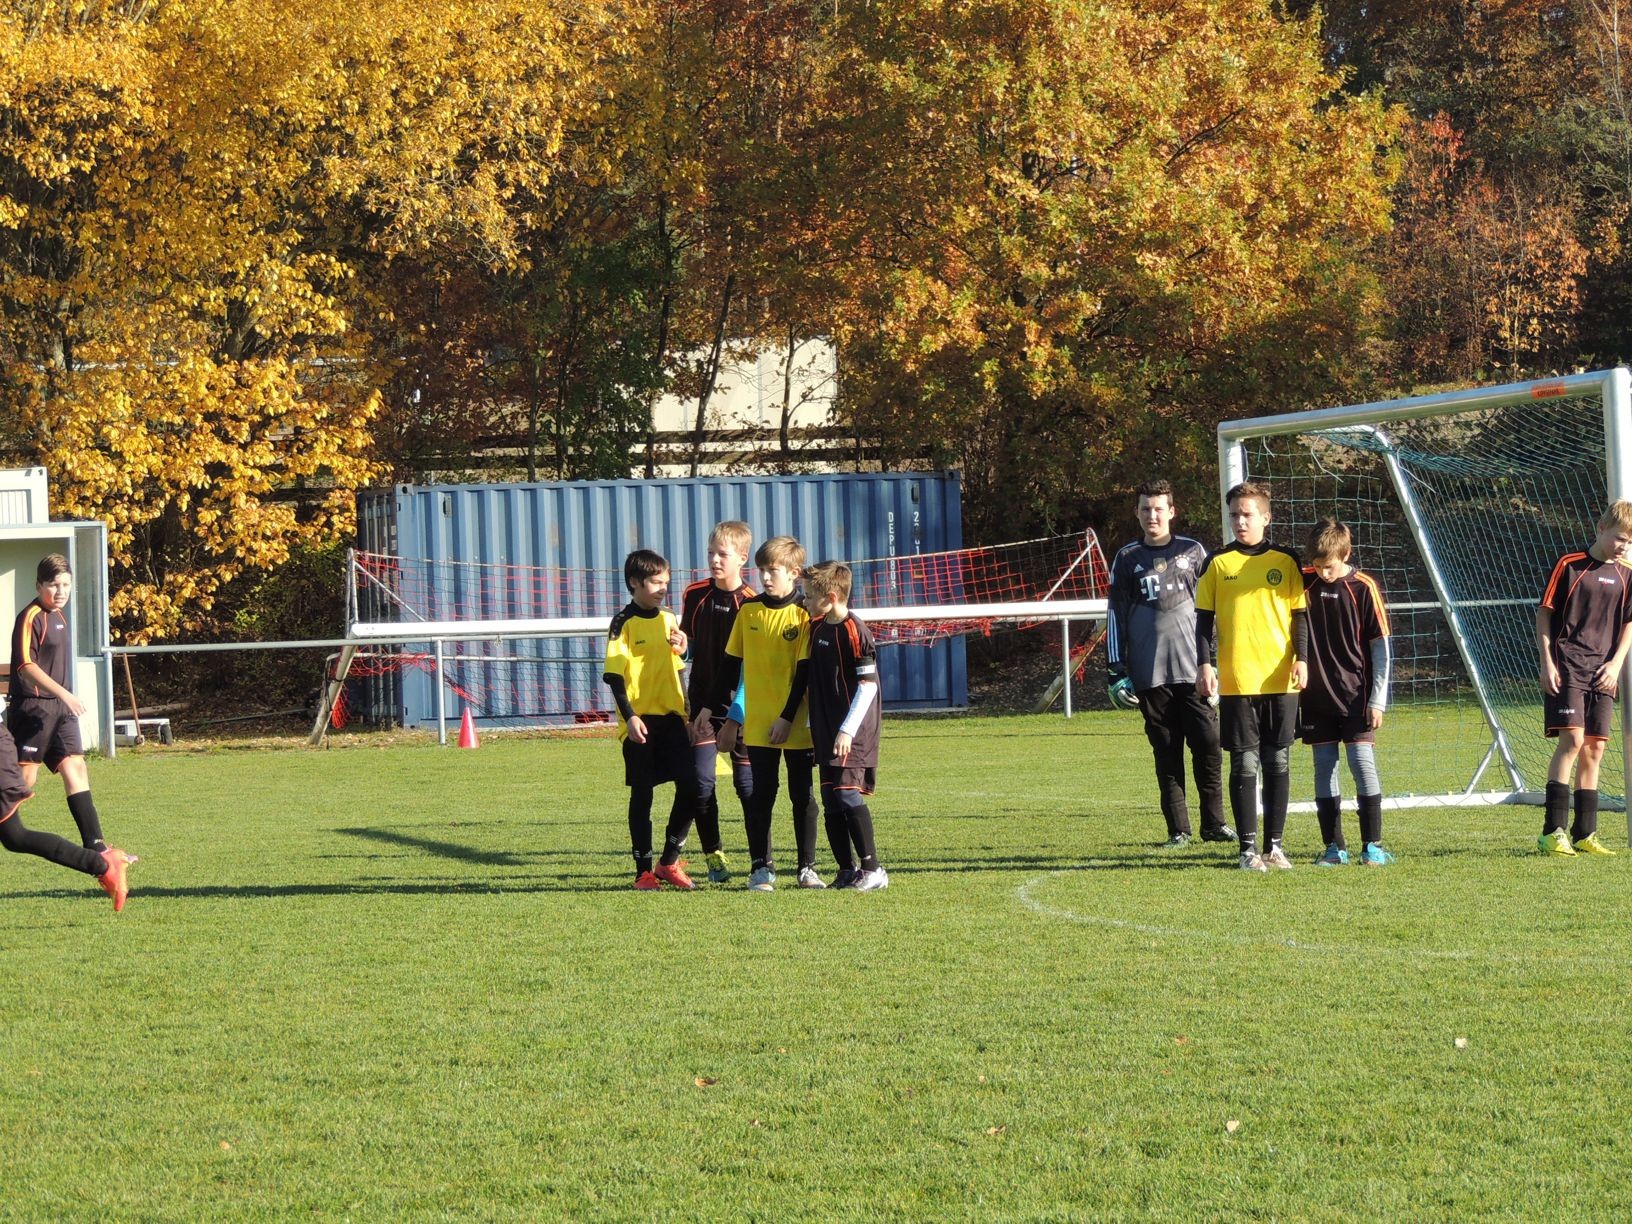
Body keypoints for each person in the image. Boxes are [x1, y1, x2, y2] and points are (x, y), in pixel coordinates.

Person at [1106, 478, 1231, 849]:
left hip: (1195, 672)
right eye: (1145, 508)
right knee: (1167, 751)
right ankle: (1179, 830)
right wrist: (1116, 670)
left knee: (1208, 745)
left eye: (1159, 508)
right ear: (1137, 513)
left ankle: (1215, 824)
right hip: (1149, 675)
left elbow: (1214, 610)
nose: (1152, 515)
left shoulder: (1193, 552)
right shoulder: (1127, 559)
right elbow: (1115, 614)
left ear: (1172, 512)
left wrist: (1216, 662)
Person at [7, 552, 136, 908]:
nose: (61, 591)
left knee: (76, 767)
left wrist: (64, 700)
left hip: (59, 712)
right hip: (32, 711)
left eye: (66, 585)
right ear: (39, 586)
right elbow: (24, 665)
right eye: (54, 585)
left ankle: (97, 847)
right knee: (22, 786)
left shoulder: (61, 616)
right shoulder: (30, 616)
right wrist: (63, 692)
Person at [1195, 482, 1308, 872]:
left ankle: (1274, 847)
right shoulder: (1218, 563)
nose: (1240, 521)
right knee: (1244, 764)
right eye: (1234, 515)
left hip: (1281, 678)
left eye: (1247, 514)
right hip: (1238, 681)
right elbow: (1203, 622)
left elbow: (1299, 616)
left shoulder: (1286, 560)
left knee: (1277, 760)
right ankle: (1247, 851)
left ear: (1265, 517)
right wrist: (1205, 664)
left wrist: (1303, 659)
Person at [714, 536, 821, 891]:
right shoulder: (748, 611)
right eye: (761, 570)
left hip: (796, 724)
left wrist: (788, 717)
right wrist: (723, 717)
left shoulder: (804, 614)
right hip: (758, 724)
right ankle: (762, 867)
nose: (765, 577)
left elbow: (804, 672)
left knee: (802, 794)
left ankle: (807, 869)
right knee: (762, 794)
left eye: (772, 570)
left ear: (793, 572)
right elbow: (730, 666)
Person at [1534, 501, 1632, 856]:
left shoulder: (1627, 573)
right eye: (1620, 538)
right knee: (1572, 742)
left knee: (1595, 749)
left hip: (1603, 672)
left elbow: (1628, 624)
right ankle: (1552, 831)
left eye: (1629, 542)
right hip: (1568, 666)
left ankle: (1584, 834)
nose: (1623, 546)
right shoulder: (1569, 565)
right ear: (1601, 527)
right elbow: (1544, 616)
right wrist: (1547, 662)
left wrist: (1616, 664)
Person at [1298, 520, 1394, 866]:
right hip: (1316, 698)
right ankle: (1333, 848)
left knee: (1361, 764)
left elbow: (1380, 647)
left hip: (1357, 697)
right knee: (1324, 768)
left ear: (1346, 554)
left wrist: (1377, 699)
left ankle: (1372, 846)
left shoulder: (1363, 587)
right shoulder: (1304, 581)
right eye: (1318, 565)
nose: (1323, 572)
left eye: (1330, 566)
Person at [603, 549, 699, 890]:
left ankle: (668, 862)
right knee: (642, 794)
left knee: (693, 787)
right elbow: (614, 676)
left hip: (673, 720)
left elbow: (680, 666)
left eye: (666, 583)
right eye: (655, 582)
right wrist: (629, 717)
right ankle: (642, 871)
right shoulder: (622, 624)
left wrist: (684, 647)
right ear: (634, 582)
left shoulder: (669, 619)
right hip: (640, 722)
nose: (662, 588)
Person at [789, 561, 888, 890]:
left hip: (853, 732)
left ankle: (873, 869)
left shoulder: (856, 631)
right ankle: (846, 870)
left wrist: (847, 729)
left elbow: (867, 686)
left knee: (847, 794)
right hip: (826, 729)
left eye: (808, 596)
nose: (803, 601)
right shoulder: (818, 628)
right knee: (832, 798)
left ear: (829, 597)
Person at [680, 520, 756, 883]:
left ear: (742, 558)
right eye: (711, 552)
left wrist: (735, 715)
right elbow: (691, 645)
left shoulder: (753, 604)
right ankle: (714, 857)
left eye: (722, 554)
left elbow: (750, 668)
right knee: (700, 784)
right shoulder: (695, 594)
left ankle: (761, 861)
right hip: (701, 707)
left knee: (747, 787)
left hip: (740, 708)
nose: (714, 560)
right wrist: (683, 647)